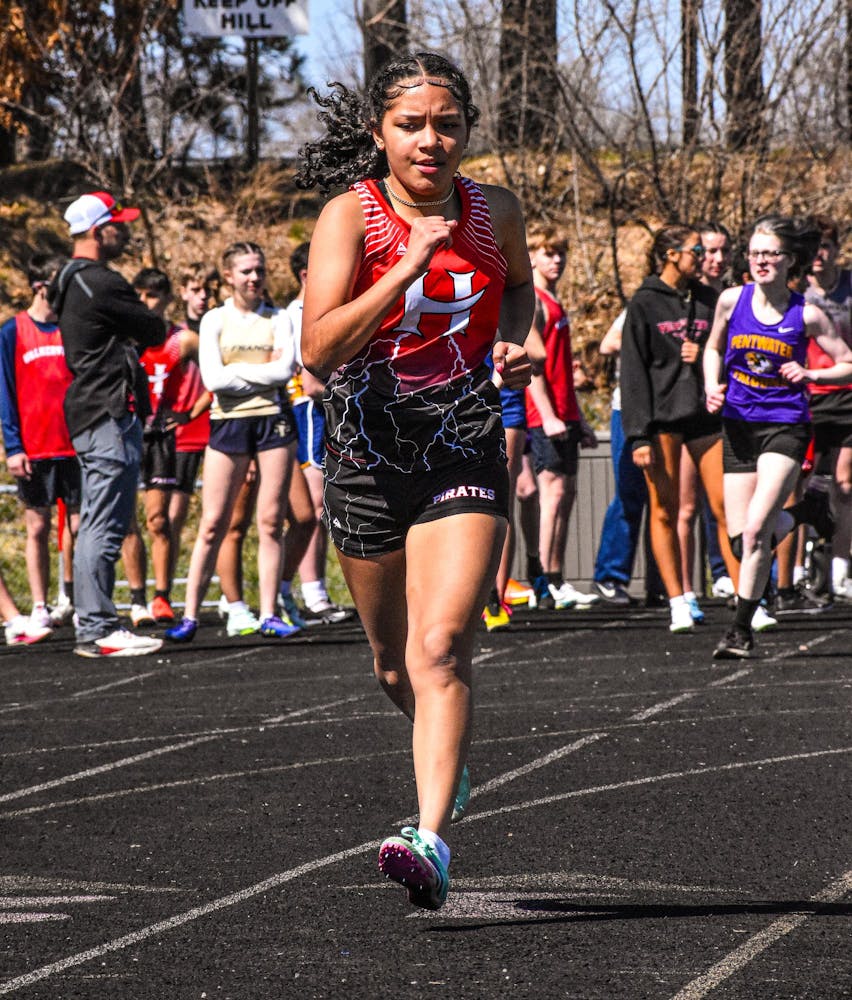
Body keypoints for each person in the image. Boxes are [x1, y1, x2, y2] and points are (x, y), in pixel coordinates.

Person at [296, 51, 534, 910]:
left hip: (463, 444)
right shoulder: (349, 217)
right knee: (395, 667)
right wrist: (405, 267)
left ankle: (429, 837)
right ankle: (447, 758)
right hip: (365, 456)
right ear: (379, 133)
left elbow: (518, 291)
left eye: (447, 124)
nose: (430, 140)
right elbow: (318, 350)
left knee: (440, 647)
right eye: (410, 125)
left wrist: (515, 339)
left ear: (466, 131)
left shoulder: (495, 210)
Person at [703, 214, 852, 658]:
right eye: (755, 253)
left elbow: (848, 363)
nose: (761, 261)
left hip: (785, 426)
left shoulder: (806, 313)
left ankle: (739, 631)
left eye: (770, 254)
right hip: (737, 425)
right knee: (741, 539)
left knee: (755, 533)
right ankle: (806, 510)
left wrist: (811, 373)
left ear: (790, 260)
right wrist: (711, 384)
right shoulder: (731, 300)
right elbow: (713, 347)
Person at [48, 191, 166, 657]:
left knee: (96, 521)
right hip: (108, 413)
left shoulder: (68, 279)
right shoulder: (101, 280)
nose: (126, 232)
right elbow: (154, 330)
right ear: (99, 231)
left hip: (90, 410)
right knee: (104, 523)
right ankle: (97, 627)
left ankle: (95, 623)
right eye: (119, 224)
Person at [165, 241, 300, 642]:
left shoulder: (279, 317)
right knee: (213, 523)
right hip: (228, 423)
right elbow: (214, 379)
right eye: (246, 271)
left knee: (271, 520)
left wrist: (237, 372)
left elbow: (283, 372)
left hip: (273, 421)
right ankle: (190, 614)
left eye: (259, 270)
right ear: (228, 276)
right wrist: (259, 372)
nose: (254, 277)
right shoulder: (214, 320)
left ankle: (270, 612)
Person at [620, 223, 739, 633]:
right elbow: (633, 373)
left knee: (727, 508)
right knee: (665, 509)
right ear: (672, 255)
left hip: (706, 416)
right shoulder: (644, 302)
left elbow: (730, 350)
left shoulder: (709, 299)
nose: (703, 258)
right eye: (695, 250)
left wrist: (704, 354)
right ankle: (677, 602)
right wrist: (638, 435)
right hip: (662, 420)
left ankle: (747, 601)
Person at [0, 253, 79, 634]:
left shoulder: (72, 328)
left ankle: (81, 600)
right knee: (37, 527)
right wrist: (14, 446)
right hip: (35, 448)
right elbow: (6, 393)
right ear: (41, 286)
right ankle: (39, 605)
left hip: (75, 445)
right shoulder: (12, 331)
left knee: (81, 526)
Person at [524, 224, 599, 610]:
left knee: (566, 496)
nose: (557, 260)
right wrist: (549, 415)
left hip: (566, 412)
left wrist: (579, 419)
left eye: (561, 253)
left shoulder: (555, 300)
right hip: (545, 416)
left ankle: (557, 577)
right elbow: (533, 366)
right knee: (551, 495)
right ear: (532, 256)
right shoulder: (533, 301)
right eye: (549, 253)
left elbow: (562, 370)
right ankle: (543, 581)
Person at [282, 241, 354, 625]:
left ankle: (311, 589)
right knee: (314, 506)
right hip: (308, 411)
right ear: (306, 275)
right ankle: (308, 592)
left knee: (322, 506)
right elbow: (310, 383)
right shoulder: (297, 315)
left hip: (326, 409)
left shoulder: (326, 309)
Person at [803, 215, 852, 599]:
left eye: (825, 246)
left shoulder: (849, 287)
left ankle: (840, 568)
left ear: (836, 249)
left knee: (845, 484)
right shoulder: (796, 291)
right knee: (802, 485)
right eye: (813, 246)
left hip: (847, 392)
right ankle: (800, 566)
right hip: (807, 395)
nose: (819, 254)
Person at [168, 263, 216, 587]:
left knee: (220, 519)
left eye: (207, 291)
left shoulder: (221, 326)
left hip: (218, 430)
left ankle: (228, 595)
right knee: (174, 516)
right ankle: (166, 586)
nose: (202, 297)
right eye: (195, 290)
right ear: (183, 292)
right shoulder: (177, 336)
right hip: (184, 433)